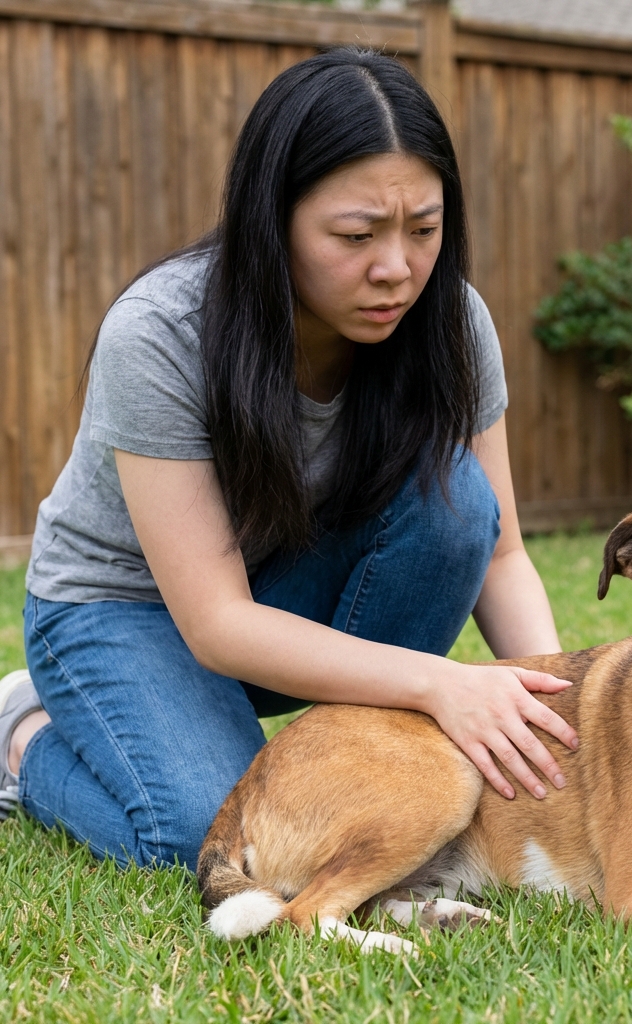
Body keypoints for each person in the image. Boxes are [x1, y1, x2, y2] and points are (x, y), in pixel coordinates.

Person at [0, 49, 578, 871]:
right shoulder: (161, 335)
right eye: (355, 235)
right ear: (272, 220)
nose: (397, 269)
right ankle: (25, 738)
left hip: (292, 587)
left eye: (424, 228)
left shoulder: (449, 319)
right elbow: (218, 621)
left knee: (458, 502)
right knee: (217, 835)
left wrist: (558, 714)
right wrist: (436, 683)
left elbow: (503, 551)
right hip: (127, 612)